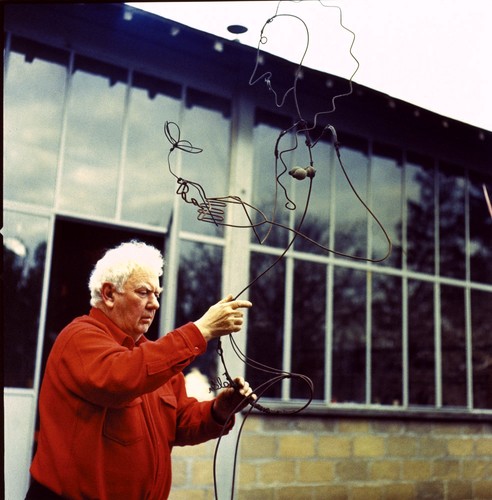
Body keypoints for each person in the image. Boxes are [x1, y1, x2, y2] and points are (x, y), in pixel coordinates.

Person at [26, 240, 254, 500]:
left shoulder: (152, 357)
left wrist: (218, 411)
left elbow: (179, 421)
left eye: (157, 294)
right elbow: (121, 378)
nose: (154, 304)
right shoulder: (79, 338)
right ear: (109, 294)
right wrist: (200, 330)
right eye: (144, 292)